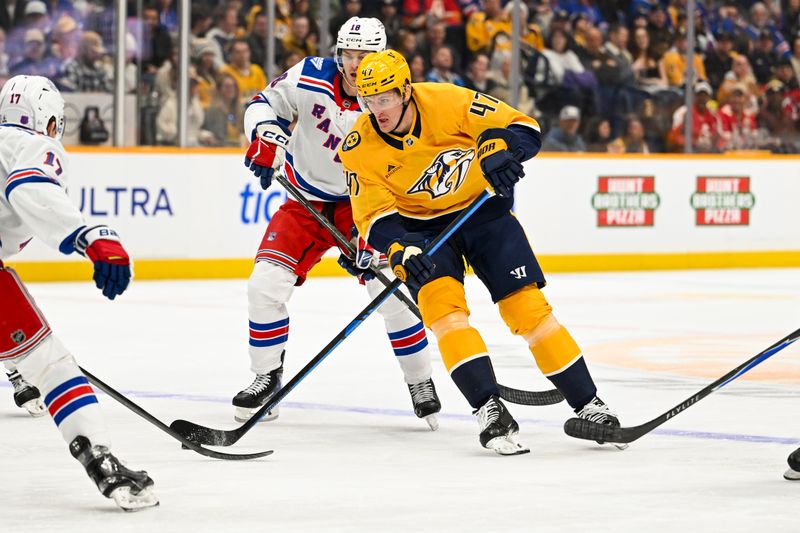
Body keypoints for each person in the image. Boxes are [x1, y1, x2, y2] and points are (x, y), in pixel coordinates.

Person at [339, 50, 621, 455]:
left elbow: (523, 127)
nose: (376, 110)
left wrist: (501, 148)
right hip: (424, 233)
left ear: (405, 91)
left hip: (484, 213)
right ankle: (489, 410)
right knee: (446, 316)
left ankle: (590, 405)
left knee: (528, 310)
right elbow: (373, 217)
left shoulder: (448, 101)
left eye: (384, 99)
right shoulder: (358, 146)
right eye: (368, 101)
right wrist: (400, 249)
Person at [238, 18, 441, 428]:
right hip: (305, 201)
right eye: (348, 54)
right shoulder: (310, 75)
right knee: (264, 285)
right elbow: (264, 103)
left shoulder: (393, 97)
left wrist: (373, 235)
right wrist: (266, 133)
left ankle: (420, 380)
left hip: (367, 204)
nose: (354, 64)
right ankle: (266, 378)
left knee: (390, 293)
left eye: (364, 56)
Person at [0, 75, 157, 511]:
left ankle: (16, 368)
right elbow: (31, 188)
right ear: (48, 121)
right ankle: (101, 461)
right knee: (53, 366)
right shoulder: (31, 144)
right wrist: (90, 236)